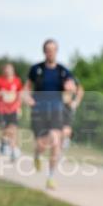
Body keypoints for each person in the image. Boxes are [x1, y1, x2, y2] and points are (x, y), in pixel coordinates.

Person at [24, 39, 75, 190]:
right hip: (39, 110)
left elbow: (72, 87)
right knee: (42, 144)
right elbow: (26, 87)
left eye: (53, 49)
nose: (50, 52)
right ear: (44, 51)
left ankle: (51, 177)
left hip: (56, 110)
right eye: (48, 49)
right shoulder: (36, 69)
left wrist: (70, 87)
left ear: (56, 51)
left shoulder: (63, 71)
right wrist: (27, 98)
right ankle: (37, 155)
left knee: (55, 141)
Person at [0, 63, 24, 160]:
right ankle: (5, 144)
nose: (8, 71)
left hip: (13, 109)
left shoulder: (17, 81)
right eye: (6, 69)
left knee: (13, 130)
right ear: (3, 71)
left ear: (13, 70)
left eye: (10, 69)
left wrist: (19, 107)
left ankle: (13, 149)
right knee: (5, 130)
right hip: (2, 110)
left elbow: (20, 95)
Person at [61, 76, 84, 151]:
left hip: (68, 109)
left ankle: (65, 140)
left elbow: (80, 91)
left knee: (66, 128)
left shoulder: (73, 81)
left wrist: (76, 101)